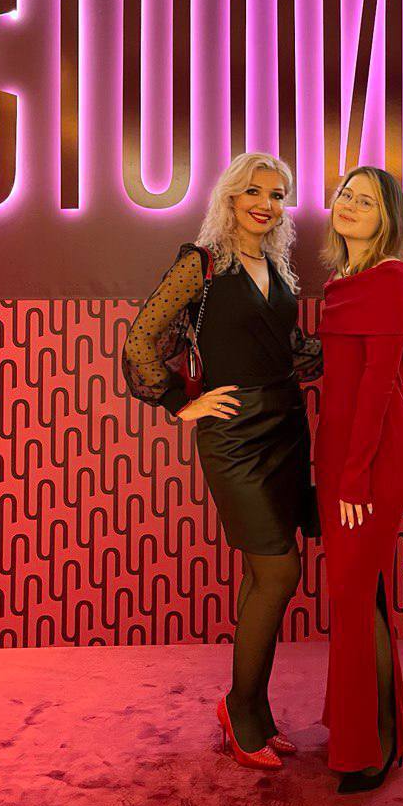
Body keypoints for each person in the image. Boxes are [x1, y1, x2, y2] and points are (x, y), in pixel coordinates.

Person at [121, 152, 318, 771]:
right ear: (230, 197)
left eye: (277, 194)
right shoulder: (200, 264)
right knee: (279, 572)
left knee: (263, 576)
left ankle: (254, 713)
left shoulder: (279, 269)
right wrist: (181, 402)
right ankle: (238, 707)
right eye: (253, 191)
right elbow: (140, 340)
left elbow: (290, 348)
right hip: (234, 435)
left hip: (286, 427)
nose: (266, 203)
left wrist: (355, 336)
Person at [314, 165, 403, 794]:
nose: (350, 205)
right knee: (357, 595)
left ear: (387, 218)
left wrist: (353, 479)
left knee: (355, 598)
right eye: (346, 195)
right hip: (337, 454)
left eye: (367, 201)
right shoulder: (339, 282)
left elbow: (379, 386)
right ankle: (370, 729)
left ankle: (372, 743)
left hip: (372, 458)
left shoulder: (391, 277)